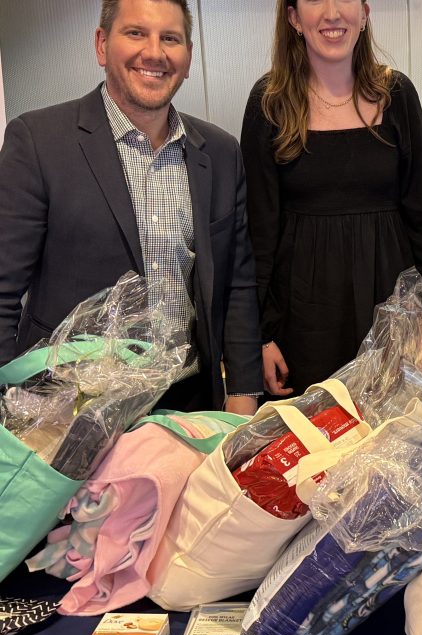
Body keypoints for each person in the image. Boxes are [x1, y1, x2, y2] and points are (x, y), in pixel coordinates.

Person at [0, 0, 262, 414]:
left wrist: (243, 395)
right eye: (136, 33)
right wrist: (13, 411)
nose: (154, 53)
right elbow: (3, 292)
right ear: (102, 45)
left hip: (189, 403)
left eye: (170, 38)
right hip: (68, 408)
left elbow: (237, 283)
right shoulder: (37, 141)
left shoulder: (220, 151)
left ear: (188, 57)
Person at [242, 0, 422, 397]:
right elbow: (256, 233)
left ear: (364, 13)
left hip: (394, 315)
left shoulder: (397, 95)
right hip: (303, 322)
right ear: (294, 17)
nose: (332, 13)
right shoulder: (269, 102)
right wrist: (259, 338)